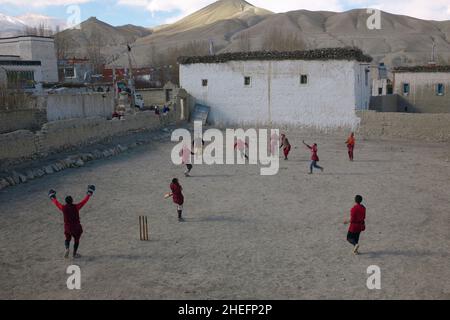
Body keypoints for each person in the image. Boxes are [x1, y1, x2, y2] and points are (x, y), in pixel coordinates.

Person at [49, 185, 96, 259]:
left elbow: (56, 203)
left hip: (67, 228)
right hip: (76, 228)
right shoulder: (76, 207)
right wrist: (89, 193)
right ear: (72, 201)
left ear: (66, 202)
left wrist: (52, 197)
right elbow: (84, 201)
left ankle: (67, 248)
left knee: (67, 239)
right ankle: (74, 254)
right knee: (76, 240)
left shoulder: (63, 208)